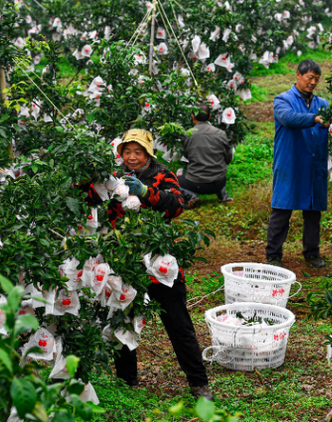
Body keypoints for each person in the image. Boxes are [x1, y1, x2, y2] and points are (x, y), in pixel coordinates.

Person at [86, 128, 213, 401]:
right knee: (124, 318)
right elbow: (91, 200)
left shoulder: (163, 175)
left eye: (138, 151)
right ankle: (127, 381)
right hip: (123, 259)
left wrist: (145, 191)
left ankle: (199, 383)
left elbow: (177, 204)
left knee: (178, 322)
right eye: (127, 151)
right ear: (120, 153)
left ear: (148, 153)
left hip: (158, 261)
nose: (131, 157)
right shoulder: (112, 175)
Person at [267, 59, 329, 269]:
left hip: (314, 164)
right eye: (310, 78)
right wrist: (315, 119)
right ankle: (273, 254)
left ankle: (312, 253)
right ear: (298, 75)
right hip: (291, 163)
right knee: (282, 209)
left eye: (317, 79)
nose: (313, 83)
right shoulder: (282, 100)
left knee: (313, 211)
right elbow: (288, 119)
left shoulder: (323, 104)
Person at [179, 103, 233, 209]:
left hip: (196, 184)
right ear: (210, 117)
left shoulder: (187, 135)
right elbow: (228, 158)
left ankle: (191, 196)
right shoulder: (221, 134)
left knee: (173, 181)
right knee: (217, 169)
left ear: (192, 116)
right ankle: (222, 194)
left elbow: (186, 156)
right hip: (219, 182)